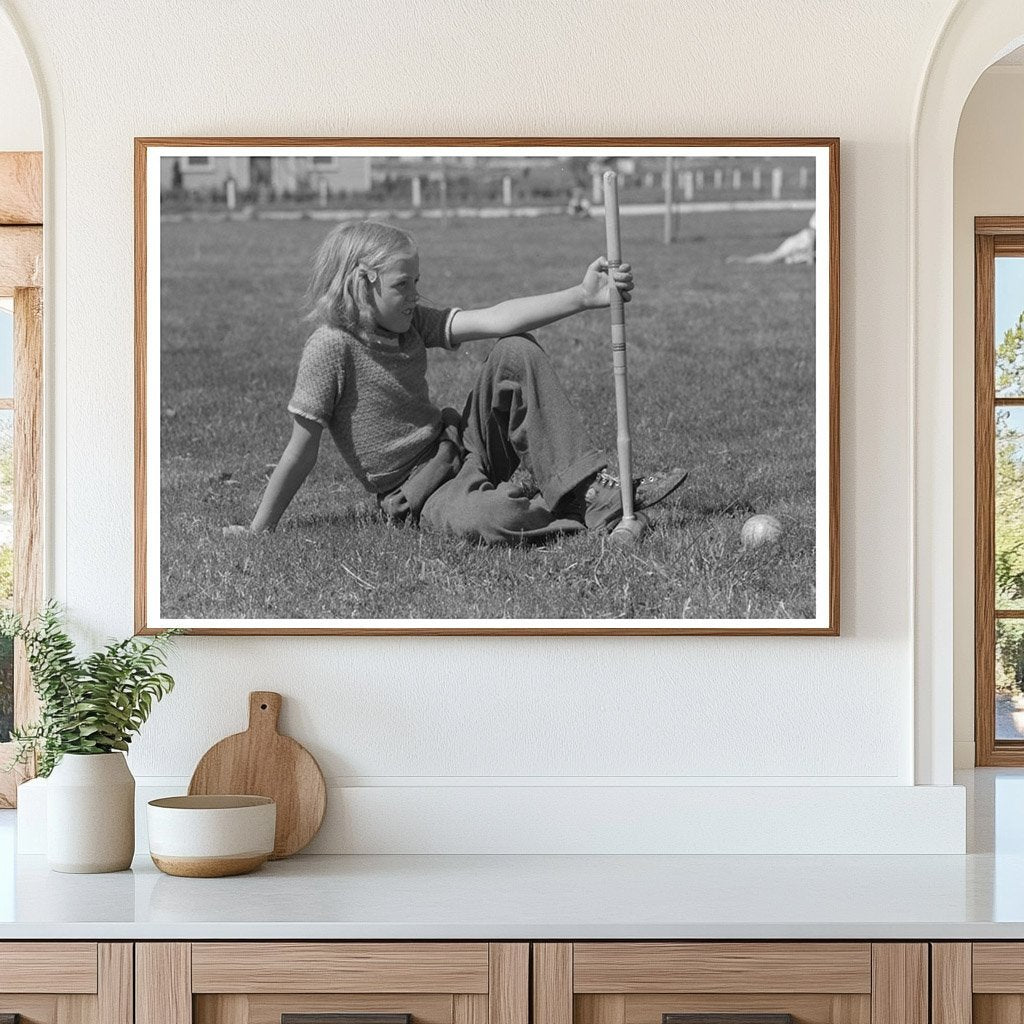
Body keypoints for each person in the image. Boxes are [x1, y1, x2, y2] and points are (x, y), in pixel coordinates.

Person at [226, 220, 684, 546]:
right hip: (422, 494)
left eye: (417, 282)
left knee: (515, 349)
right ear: (361, 284)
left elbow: (497, 319)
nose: (416, 296)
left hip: (461, 446)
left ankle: (590, 492)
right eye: (403, 285)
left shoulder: (410, 323)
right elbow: (300, 452)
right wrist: (258, 529)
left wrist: (583, 297)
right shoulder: (329, 349)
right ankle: (563, 509)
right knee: (493, 518)